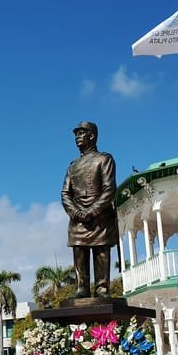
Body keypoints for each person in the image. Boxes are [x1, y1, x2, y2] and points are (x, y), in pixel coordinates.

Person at [61, 121, 119, 298]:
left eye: (81, 133)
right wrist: (76, 213)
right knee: (79, 251)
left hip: (100, 215)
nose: (77, 137)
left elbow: (109, 189)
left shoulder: (104, 159)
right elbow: (65, 193)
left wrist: (92, 211)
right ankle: (82, 288)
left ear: (92, 136)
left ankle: (102, 288)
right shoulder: (72, 166)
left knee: (101, 252)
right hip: (78, 216)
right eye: (76, 134)